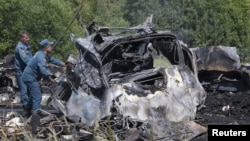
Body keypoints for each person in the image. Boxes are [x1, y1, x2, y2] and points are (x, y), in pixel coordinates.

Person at [22, 39, 67, 116]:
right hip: (30, 78)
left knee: (34, 93)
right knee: (38, 97)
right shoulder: (41, 57)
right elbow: (43, 70)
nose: (52, 47)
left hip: (30, 77)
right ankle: (36, 116)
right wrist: (50, 78)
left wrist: (64, 64)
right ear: (46, 47)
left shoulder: (43, 54)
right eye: (50, 45)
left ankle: (27, 110)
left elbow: (53, 60)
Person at [14, 30, 33, 117]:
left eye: (28, 37)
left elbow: (30, 57)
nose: (28, 39)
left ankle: (29, 108)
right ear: (21, 38)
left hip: (27, 72)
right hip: (21, 72)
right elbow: (25, 60)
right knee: (24, 90)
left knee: (30, 90)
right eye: (26, 38)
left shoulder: (26, 46)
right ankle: (25, 109)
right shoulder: (20, 47)